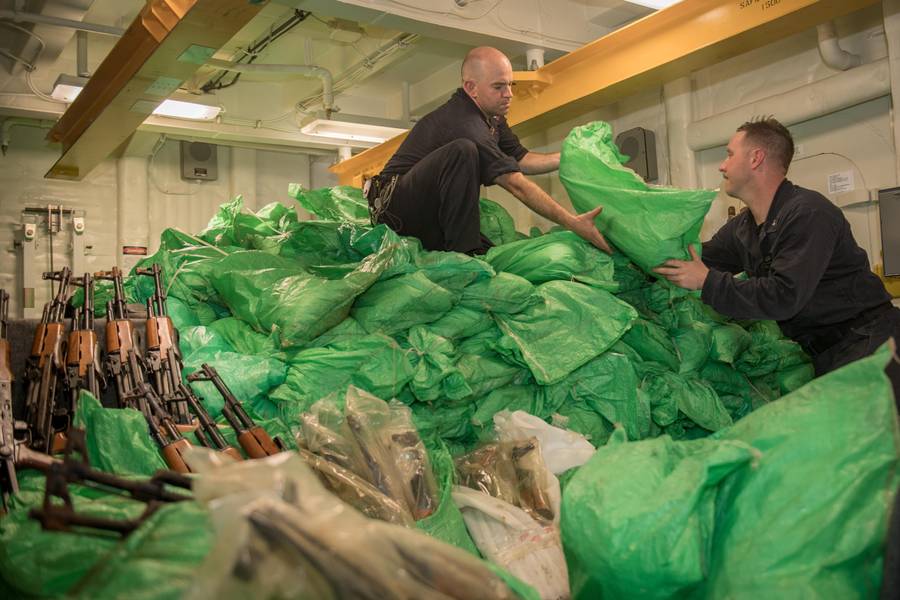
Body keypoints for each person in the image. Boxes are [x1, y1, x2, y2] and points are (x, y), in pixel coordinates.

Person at [653, 117, 900, 396]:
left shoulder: (807, 213)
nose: (722, 165)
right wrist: (636, 246)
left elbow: (784, 295)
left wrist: (707, 282)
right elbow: (698, 258)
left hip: (871, 343)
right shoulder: (744, 227)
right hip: (827, 353)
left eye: (730, 154)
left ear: (756, 158)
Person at [365, 46, 611, 255]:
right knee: (463, 151)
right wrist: (572, 222)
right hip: (394, 209)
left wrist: (570, 156)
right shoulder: (465, 123)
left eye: (510, 85)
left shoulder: (492, 117)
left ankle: (468, 250)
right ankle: (464, 253)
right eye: (498, 87)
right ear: (471, 88)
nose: (509, 94)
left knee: (493, 255)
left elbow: (521, 158)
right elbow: (515, 183)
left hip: (431, 216)